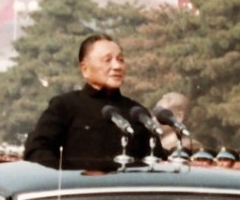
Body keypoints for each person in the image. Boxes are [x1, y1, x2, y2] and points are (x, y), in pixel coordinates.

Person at [24, 34, 162, 170]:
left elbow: (156, 160)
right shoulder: (64, 106)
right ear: (85, 69)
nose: (117, 66)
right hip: (79, 189)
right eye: (107, 60)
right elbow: (36, 152)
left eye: (120, 60)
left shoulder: (136, 112)